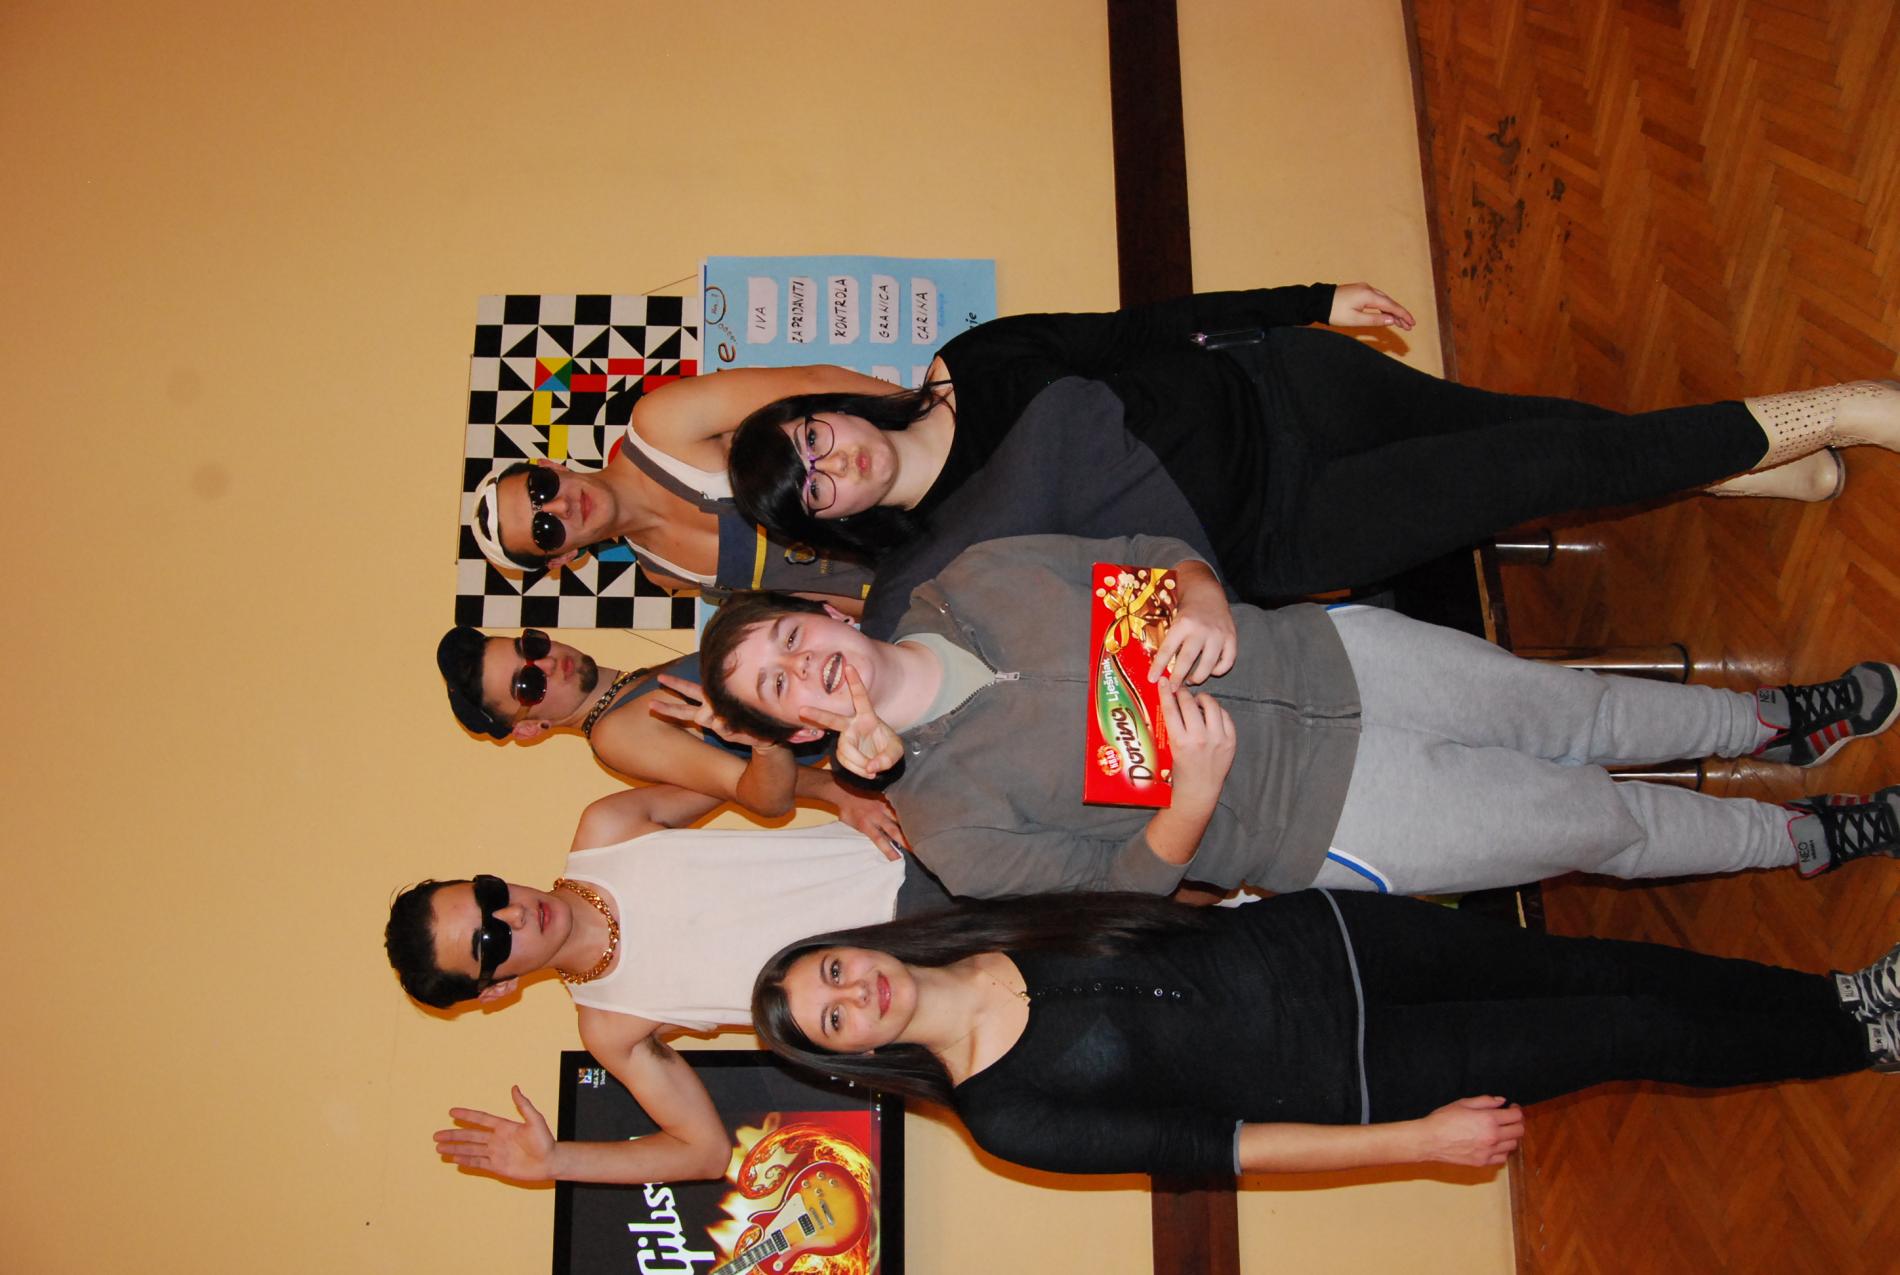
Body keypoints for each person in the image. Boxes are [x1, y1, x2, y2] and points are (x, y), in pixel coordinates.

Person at [697, 533, 1900, 899]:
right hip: (1321, 817)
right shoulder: (946, 831)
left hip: (1336, 657)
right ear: (797, 734)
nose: (810, 672)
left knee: (1573, 709)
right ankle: (1801, 838)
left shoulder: (979, 577)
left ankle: (1770, 723)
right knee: (1594, 821)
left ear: (826, 611)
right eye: (780, 688)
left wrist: (1200, 592)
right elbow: (1117, 897)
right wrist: (1190, 802)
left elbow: (1148, 548)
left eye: (794, 641)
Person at [722, 282, 1898, 601]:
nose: (835, 462)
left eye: (813, 437)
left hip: (1288, 391)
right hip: (1283, 534)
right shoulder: (951, 555)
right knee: (1550, 467)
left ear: (827, 408)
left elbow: (1137, 327)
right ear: (833, 522)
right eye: (814, 488)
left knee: (1529, 429)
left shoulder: (970, 361)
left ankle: (1741, 469)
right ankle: (1841, 405)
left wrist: (1305, 301)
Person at [748, 890, 1900, 1176]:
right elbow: (1220, 1149)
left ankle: (1840, 994)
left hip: (1339, 940)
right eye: (832, 1017)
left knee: (1606, 965)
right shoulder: (1005, 1118)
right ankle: (1858, 1041)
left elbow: (1157, 909)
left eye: (833, 969)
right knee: (1630, 1030)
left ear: (855, 944)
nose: (856, 993)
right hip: (1361, 1071)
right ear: (852, 1055)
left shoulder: (982, 918)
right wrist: (1415, 1142)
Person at [383, 784, 952, 1185]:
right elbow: (704, 1153)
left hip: (917, 850)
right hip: (921, 993)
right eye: (491, 942)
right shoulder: (611, 1024)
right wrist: (556, 1161)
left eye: (488, 894)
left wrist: (837, 790)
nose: (514, 914)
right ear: (495, 989)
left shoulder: (607, 831)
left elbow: (742, 779)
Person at [434, 625, 904, 852]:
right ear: (529, 727)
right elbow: (757, 793)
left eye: (530, 647)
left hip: (872, 706)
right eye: (528, 684)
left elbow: (728, 784)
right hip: (874, 725)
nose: (547, 663)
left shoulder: (631, 692)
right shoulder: (616, 734)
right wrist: (838, 792)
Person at [466, 364, 892, 602]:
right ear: (561, 558)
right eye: (545, 529)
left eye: (541, 489)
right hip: (909, 570)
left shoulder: (660, 424)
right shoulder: (664, 574)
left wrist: (922, 413)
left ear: (550, 465)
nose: (561, 507)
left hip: (904, 484)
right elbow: (815, 594)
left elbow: (814, 384)